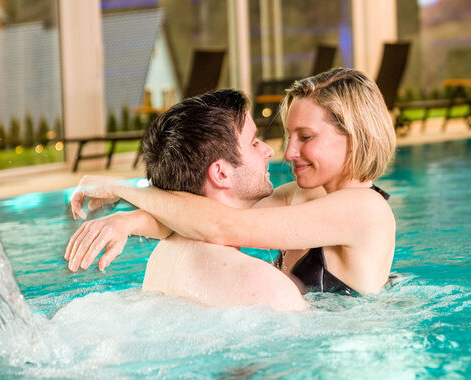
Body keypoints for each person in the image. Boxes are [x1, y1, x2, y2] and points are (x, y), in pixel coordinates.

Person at [66, 68, 397, 296]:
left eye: (305, 137)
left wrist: (122, 189)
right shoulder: (300, 195)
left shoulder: (366, 210)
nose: (289, 151)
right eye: (288, 135)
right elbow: (202, 214)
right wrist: (126, 221)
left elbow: (222, 226)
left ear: (355, 137)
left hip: (351, 374)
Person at [65, 89, 307, 312]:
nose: (269, 150)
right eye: (254, 142)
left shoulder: (162, 258)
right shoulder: (267, 288)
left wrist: (128, 216)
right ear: (221, 173)